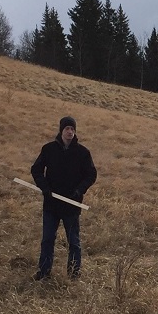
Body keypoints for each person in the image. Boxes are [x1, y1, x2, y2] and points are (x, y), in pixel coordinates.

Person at [29, 115, 97, 280]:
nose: (70, 132)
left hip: (71, 205)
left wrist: (79, 190)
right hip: (51, 204)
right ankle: (44, 272)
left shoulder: (82, 153)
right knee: (47, 239)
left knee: (74, 242)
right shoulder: (48, 149)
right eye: (67, 128)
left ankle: (73, 274)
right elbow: (36, 170)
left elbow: (91, 174)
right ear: (61, 130)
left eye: (73, 129)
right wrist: (44, 187)